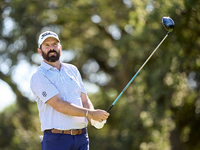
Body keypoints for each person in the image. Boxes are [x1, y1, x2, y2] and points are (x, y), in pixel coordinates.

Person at [30, 31, 109, 150]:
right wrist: (90, 113)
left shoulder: (72, 70)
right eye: (47, 45)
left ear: (60, 47)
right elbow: (59, 105)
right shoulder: (39, 76)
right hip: (56, 140)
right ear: (40, 51)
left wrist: (93, 118)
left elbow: (84, 99)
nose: (52, 48)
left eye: (55, 44)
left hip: (82, 137)